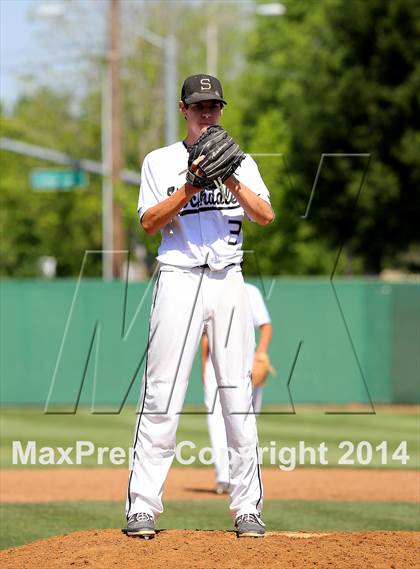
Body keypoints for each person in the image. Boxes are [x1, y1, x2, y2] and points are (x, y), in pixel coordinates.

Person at [126, 74, 274, 539]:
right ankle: (143, 507)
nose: (207, 113)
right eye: (199, 106)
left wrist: (227, 175)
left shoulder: (242, 161)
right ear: (182, 109)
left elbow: (266, 215)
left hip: (228, 278)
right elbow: (149, 223)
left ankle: (246, 506)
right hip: (179, 276)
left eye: (214, 106)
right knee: (162, 394)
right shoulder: (160, 161)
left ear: (221, 110)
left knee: (237, 395)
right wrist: (190, 186)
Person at [202, 282, 273, 494]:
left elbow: (266, 326)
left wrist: (260, 355)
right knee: (215, 419)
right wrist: (203, 369)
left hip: (244, 363)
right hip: (214, 365)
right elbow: (205, 336)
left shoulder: (250, 291)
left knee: (245, 420)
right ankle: (224, 476)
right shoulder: (208, 289)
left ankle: (243, 476)